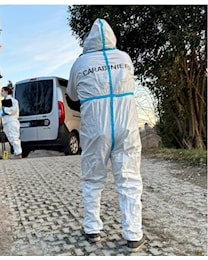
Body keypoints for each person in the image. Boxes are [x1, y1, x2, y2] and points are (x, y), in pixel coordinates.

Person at [67, 18, 145, 252]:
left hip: (95, 126)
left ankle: (92, 229)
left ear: (88, 40)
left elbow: (72, 94)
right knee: (129, 179)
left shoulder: (80, 63)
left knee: (92, 178)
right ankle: (133, 234)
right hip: (126, 126)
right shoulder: (124, 58)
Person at [0, 83, 22, 159]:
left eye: (2, 91)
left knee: (14, 137)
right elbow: (0, 113)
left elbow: (13, 110)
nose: (1, 92)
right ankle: (16, 152)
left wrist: (5, 110)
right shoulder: (4, 102)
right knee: (10, 138)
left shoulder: (13, 101)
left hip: (12, 121)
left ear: (6, 91)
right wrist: (2, 112)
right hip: (6, 122)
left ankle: (18, 153)